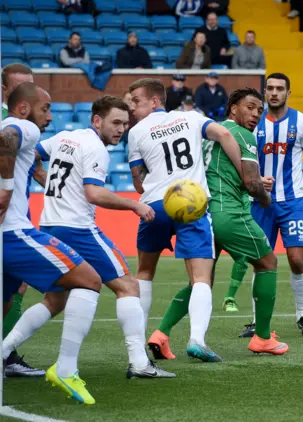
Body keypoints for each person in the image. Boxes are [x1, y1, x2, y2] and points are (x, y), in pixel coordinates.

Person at [4, 96, 175, 380]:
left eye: (125, 124)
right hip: (78, 229)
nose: (121, 129)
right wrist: (135, 204)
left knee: (55, 300)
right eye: (115, 123)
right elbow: (94, 194)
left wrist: (43, 178)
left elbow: (32, 156)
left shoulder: (64, 137)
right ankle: (139, 363)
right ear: (96, 120)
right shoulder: (97, 148)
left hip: (49, 226)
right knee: (128, 286)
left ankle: (3, 351)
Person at [149, 87, 289, 357]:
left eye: (259, 110)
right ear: (233, 108)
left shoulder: (205, 135)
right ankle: (262, 337)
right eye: (250, 107)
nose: (256, 114)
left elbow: (228, 173)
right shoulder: (243, 135)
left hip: (201, 214)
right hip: (229, 213)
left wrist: (258, 183)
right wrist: (265, 196)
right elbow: (250, 183)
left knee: (200, 282)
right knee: (268, 263)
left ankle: (161, 334)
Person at [126, 78, 243, 362]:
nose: (132, 108)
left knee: (144, 273)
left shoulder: (136, 131)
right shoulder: (191, 118)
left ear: (155, 101)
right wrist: (243, 174)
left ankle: (138, 346)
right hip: (192, 204)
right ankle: (197, 340)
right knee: (202, 277)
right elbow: (226, 136)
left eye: (136, 101)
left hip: (154, 205)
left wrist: (151, 187)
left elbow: (137, 181)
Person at [0, 82, 102, 404]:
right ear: (24, 108)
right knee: (89, 280)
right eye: (46, 109)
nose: (49, 117)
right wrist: (5, 189)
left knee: (26, 302)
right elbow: (7, 140)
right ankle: (66, 369)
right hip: (13, 234)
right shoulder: (22, 126)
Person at [221, 74, 303, 339]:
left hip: (292, 200)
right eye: (270, 89)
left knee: (297, 260)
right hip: (259, 202)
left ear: (289, 92)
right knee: (259, 261)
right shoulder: (252, 122)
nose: (274, 93)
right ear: (265, 92)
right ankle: (255, 321)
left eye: (280, 89)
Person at [0, 63, 41, 378]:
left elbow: (37, 165)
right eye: (19, 86)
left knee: (15, 285)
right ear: (4, 90)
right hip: (8, 214)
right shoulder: (11, 124)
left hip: (18, 214)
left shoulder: (23, 120)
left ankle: (6, 353)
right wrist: (7, 188)